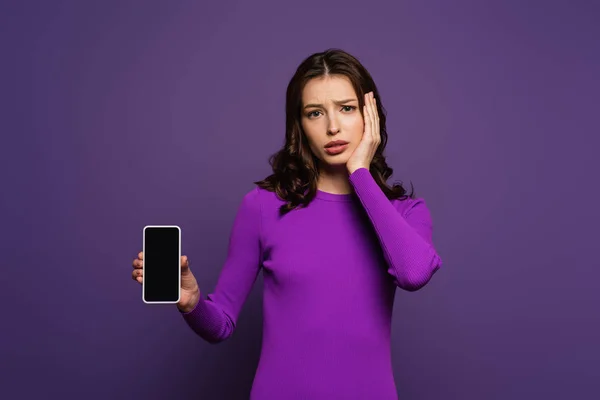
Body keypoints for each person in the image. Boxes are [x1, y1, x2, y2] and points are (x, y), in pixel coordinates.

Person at [131, 48, 442, 400]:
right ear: (300, 124)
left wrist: (359, 173)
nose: (333, 126)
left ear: (370, 116)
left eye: (346, 108)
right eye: (315, 113)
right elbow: (220, 325)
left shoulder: (404, 212)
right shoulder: (263, 207)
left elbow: (413, 274)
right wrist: (191, 302)